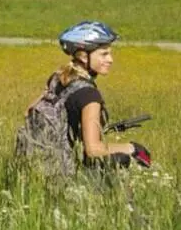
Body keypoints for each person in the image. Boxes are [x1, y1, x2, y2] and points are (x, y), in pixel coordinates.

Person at [54, 21, 152, 171]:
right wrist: (132, 148)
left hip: (38, 164)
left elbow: (29, 111)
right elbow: (93, 149)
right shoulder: (89, 96)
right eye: (104, 54)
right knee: (122, 159)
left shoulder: (58, 78)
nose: (110, 60)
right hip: (63, 173)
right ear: (83, 56)